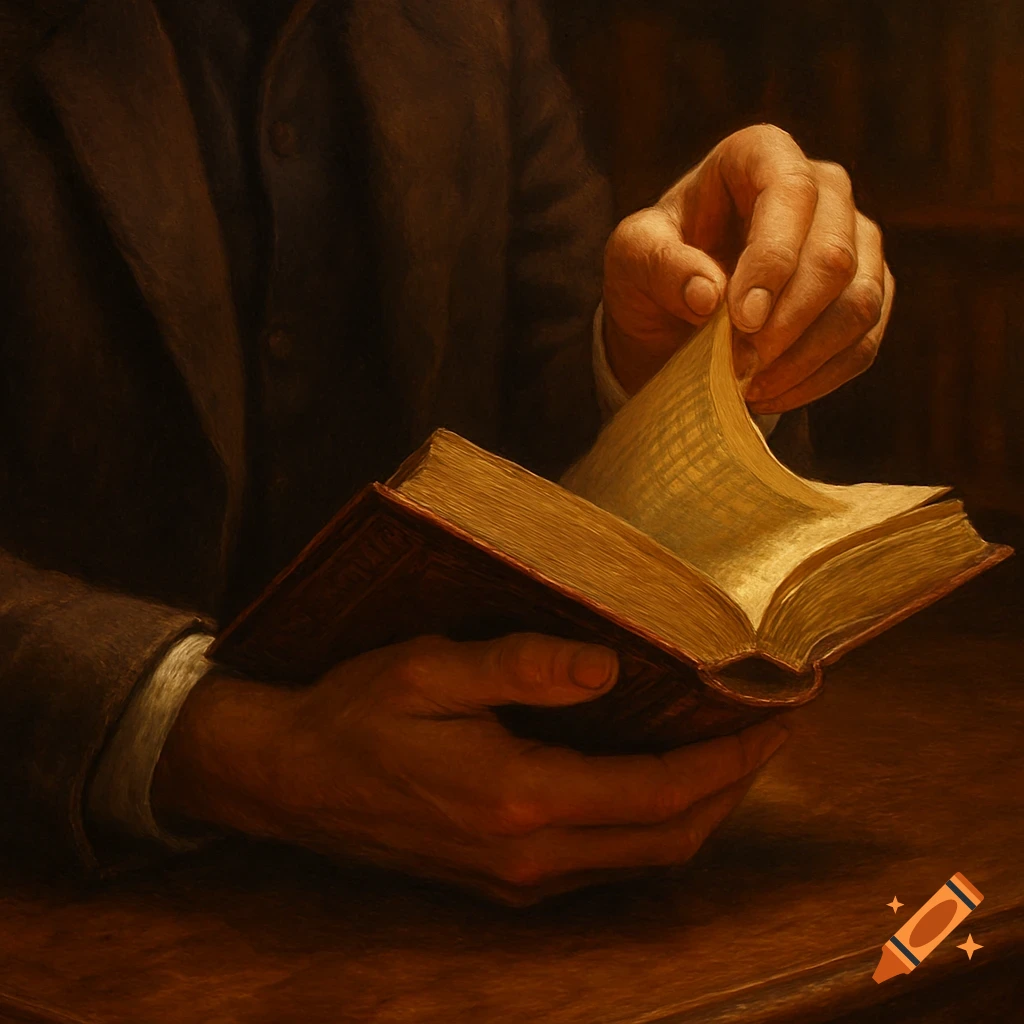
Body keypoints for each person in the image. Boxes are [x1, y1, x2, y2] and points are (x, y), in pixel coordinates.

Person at [0, 0, 891, 905]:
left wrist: (683, 358)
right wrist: (230, 746)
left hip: (461, 901)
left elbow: (532, 432)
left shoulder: (475, 22)